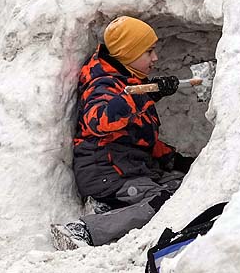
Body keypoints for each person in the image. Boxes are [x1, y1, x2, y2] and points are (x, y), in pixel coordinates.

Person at [51, 17, 195, 250]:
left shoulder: (126, 82)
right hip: (104, 172)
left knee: (185, 187)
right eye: (148, 52)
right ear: (129, 53)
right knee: (163, 202)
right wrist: (141, 95)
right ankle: (84, 230)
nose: (155, 58)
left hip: (128, 169)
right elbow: (97, 121)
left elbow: (138, 138)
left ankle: (111, 208)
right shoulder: (104, 84)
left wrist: (175, 160)